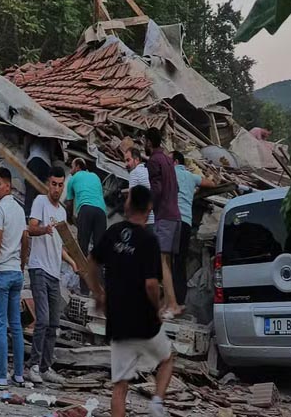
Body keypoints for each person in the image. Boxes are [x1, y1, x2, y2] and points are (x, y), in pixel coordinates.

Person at [85, 185, 174, 417]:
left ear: (128, 205)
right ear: (149, 209)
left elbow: (91, 263)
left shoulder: (113, 233)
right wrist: (157, 308)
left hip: (119, 324)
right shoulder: (149, 241)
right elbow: (151, 284)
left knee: (120, 387)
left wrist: (98, 293)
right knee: (166, 360)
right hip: (145, 324)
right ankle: (156, 404)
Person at [27, 165, 79, 385]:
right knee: (43, 320)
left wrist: (72, 262)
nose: (57, 189)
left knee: (54, 322)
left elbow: (59, 245)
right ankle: (34, 366)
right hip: (38, 268)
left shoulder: (62, 212)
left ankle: (46, 367)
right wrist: (44, 229)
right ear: (48, 184)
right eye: (54, 184)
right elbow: (31, 228)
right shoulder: (40, 202)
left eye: (60, 185)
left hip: (54, 272)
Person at [0, 168, 29, 388]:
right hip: (16, 272)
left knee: (0, 324)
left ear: (8, 186)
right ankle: (19, 374)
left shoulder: (0, 209)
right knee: (17, 325)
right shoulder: (20, 210)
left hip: (2, 271)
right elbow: (25, 240)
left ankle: (2, 376)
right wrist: (21, 265)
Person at [144, 127, 182, 318]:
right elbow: (176, 187)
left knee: (162, 262)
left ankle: (173, 305)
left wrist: (148, 207)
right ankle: (168, 304)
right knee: (167, 261)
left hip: (164, 216)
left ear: (149, 142)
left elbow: (156, 189)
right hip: (176, 215)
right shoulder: (168, 159)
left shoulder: (153, 161)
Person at [171, 152, 214, 305]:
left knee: (165, 261)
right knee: (180, 262)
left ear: (175, 162)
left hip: (171, 222)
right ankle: (180, 301)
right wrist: (193, 191)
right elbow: (210, 184)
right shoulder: (190, 177)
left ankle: (166, 299)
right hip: (186, 223)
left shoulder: (169, 173)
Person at [65, 157, 107, 294]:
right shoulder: (95, 176)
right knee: (99, 251)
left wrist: (70, 218)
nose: (71, 171)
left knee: (82, 250)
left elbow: (69, 203)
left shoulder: (73, 178)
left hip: (85, 210)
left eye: (71, 167)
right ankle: (99, 290)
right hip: (101, 212)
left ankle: (84, 290)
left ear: (77, 166)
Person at [24, 137, 53, 219]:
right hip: (47, 164)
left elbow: (25, 154)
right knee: (41, 190)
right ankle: (39, 216)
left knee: (30, 187)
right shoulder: (50, 139)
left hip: (34, 160)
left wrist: (26, 153)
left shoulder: (30, 138)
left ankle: (27, 214)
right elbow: (52, 155)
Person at [125, 147, 152, 228]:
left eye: (128, 160)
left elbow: (131, 197)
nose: (126, 164)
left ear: (136, 160)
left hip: (142, 221)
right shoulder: (148, 170)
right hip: (154, 219)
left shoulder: (134, 172)